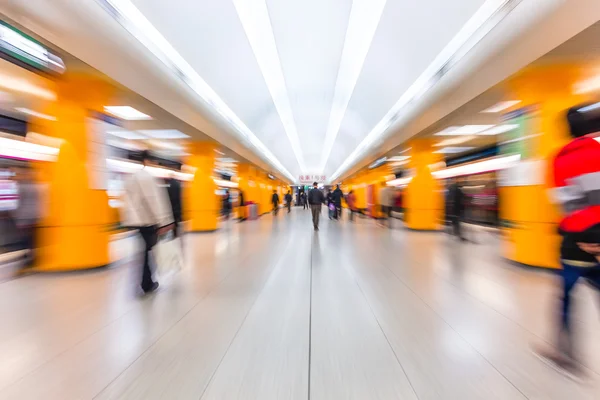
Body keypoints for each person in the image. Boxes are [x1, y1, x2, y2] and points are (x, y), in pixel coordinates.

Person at [535, 104, 600, 377]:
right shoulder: (597, 152)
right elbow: (597, 197)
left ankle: (564, 352)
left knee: (565, 296)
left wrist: (582, 235)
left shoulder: (558, 158)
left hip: (574, 241)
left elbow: (565, 204)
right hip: (597, 237)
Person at [122, 150, 174, 294]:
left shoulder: (130, 178)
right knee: (149, 251)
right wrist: (164, 221)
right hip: (148, 220)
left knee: (145, 251)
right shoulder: (146, 177)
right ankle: (147, 282)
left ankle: (145, 281)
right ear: (147, 161)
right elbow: (153, 200)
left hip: (137, 221)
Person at [12, 166, 41, 269]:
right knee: (31, 238)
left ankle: (29, 257)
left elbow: (18, 202)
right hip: (34, 215)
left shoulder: (21, 186)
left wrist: (15, 214)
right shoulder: (35, 185)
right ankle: (31, 256)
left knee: (26, 239)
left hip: (24, 217)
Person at [166, 173, 182, 237]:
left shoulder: (169, 185)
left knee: (173, 220)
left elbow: (168, 196)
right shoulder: (178, 184)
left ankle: (174, 233)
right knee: (176, 220)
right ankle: (176, 233)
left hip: (172, 206)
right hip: (178, 206)